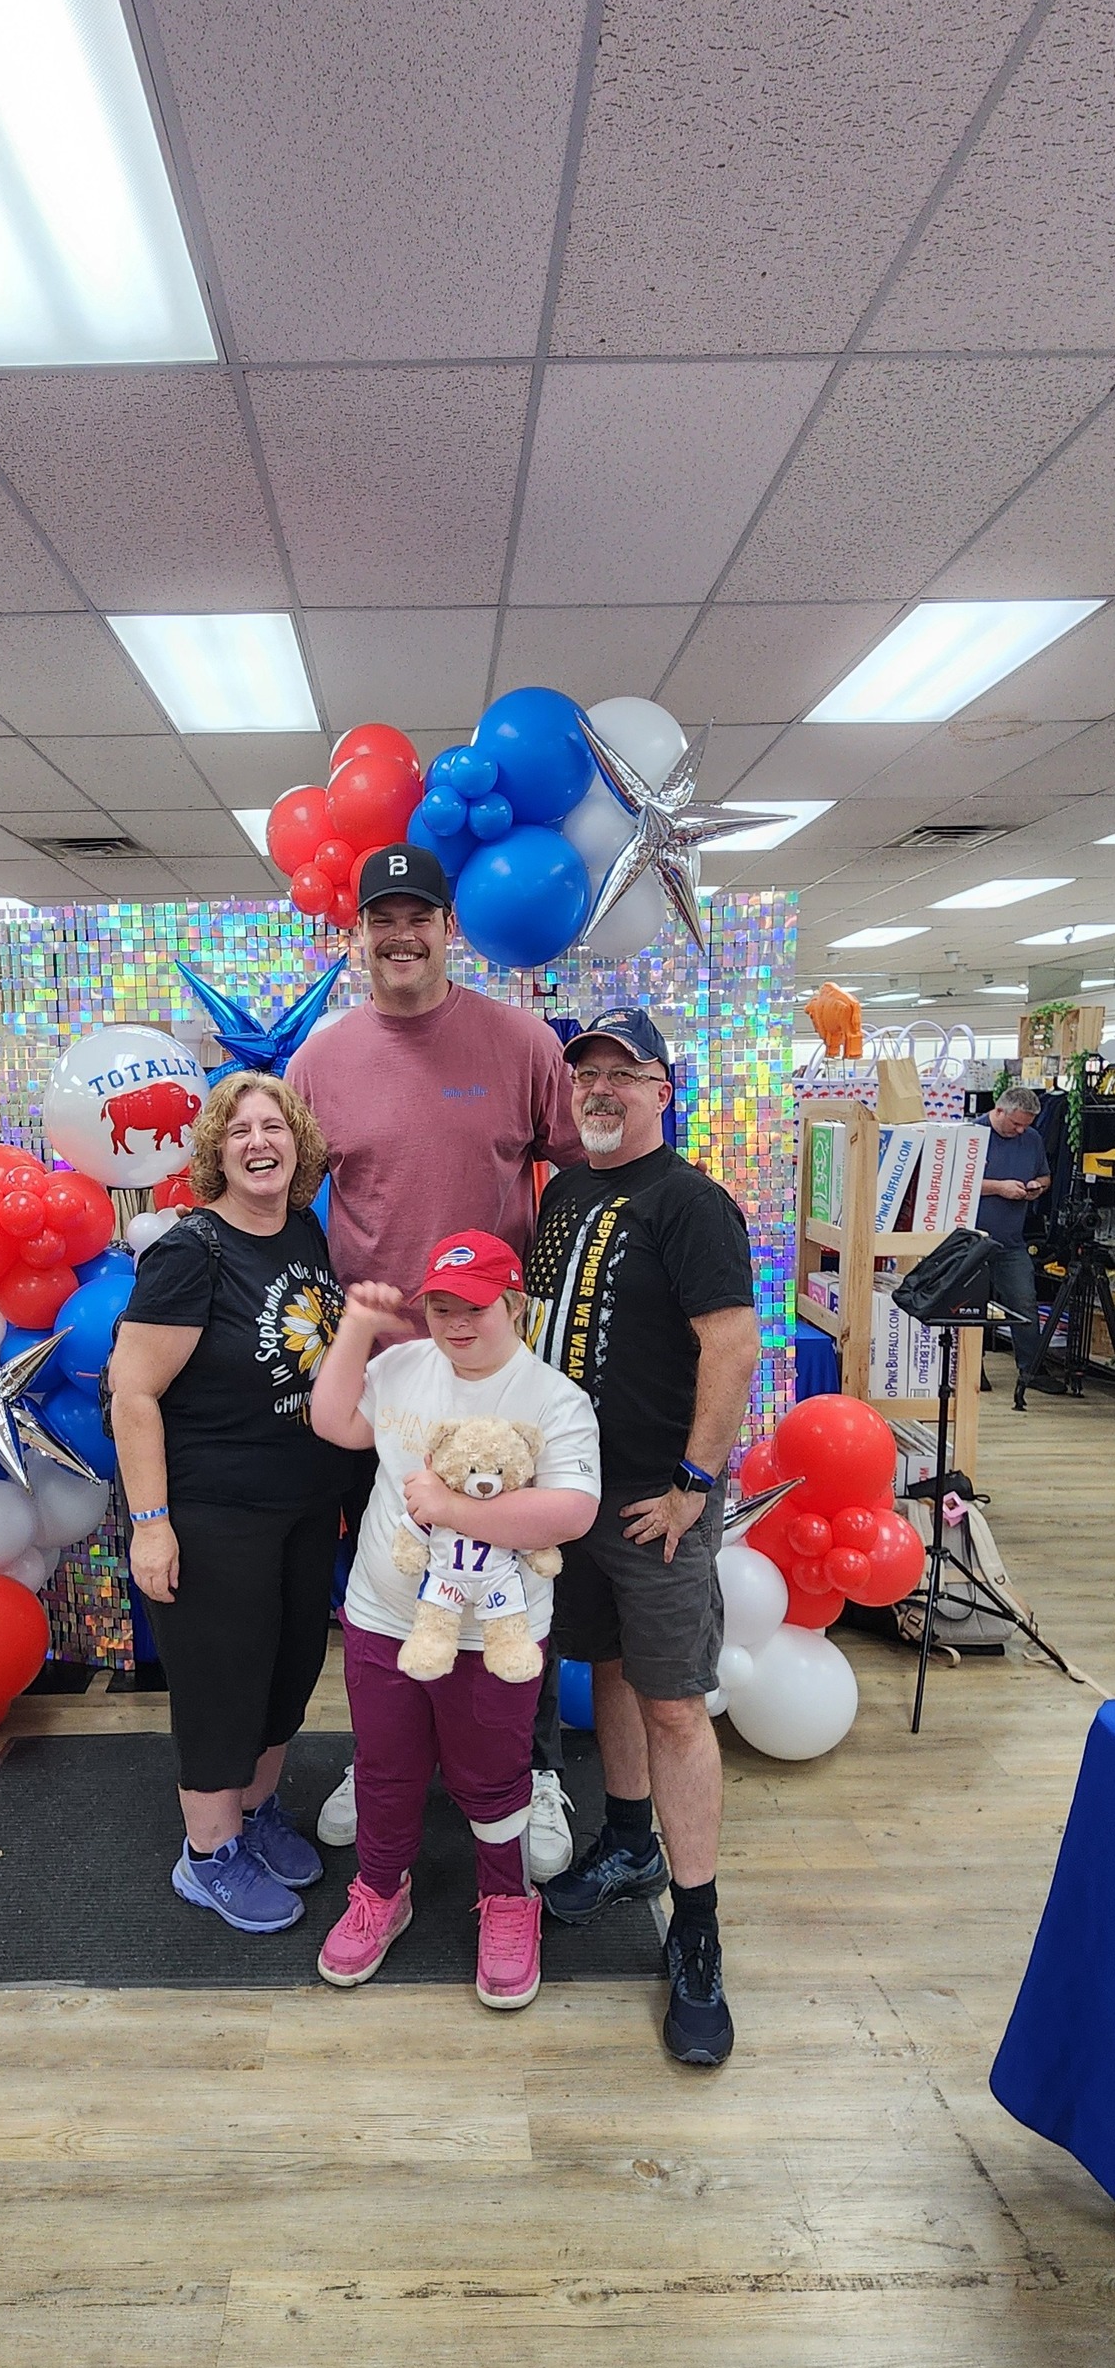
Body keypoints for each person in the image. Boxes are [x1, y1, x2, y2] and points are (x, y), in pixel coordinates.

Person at [288, 839, 584, 1873]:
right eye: (382, 918)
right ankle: (383, 1765)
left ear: (450, 928)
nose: (401, 935)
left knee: (510, 1570)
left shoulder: (520, 1039)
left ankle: (533, 1771)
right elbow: (282, 1197)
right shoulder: (321, 1057)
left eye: (420, 915)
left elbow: (579, 1177)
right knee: (383, 1576)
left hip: (494, 1371)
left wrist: (549, 1317)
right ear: (356, 934)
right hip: (379, 1371)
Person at [523, 1009, 760, 2069]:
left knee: (671, 1701)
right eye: (587, 1074)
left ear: (664, 1088)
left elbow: (733, 1346)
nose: (602, 1089)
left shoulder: (690, 1199)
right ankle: (628, 1842)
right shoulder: (567, 1190)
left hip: (656, 1496)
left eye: (624, 1073)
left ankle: (697, 1930)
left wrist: (693, 1485)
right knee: (606, 1666)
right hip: (573, 1493)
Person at [310, 1230, 600, 2008]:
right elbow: (333, 1422)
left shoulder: (552, 1398)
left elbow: (571, 1510)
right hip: (384, 1617)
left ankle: (507, 1903)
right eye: (439, 1308)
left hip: (494, 1633)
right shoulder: (403, 1366)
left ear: (513, 1305)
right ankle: (380, 1890)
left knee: (492, 1776)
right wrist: (357, 1331)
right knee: (385, 1765)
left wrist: (448, 1509)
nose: (454, 1325)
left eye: (473, 1308)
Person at [109, 1072, 356, 1936]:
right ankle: (207, 1855)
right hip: (213, 1513)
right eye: (240, 1130)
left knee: (286, 1675)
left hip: (299, 1504)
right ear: (215, 1151)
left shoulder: (301, 1230)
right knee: (222, 1687)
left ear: (298, 1144)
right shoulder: (191, 1250)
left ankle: (253, 1818)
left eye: (274, 1127)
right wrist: (150, 1525)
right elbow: (132, 1394)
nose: (260, 1142)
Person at [975, 1083, 1051, 1400]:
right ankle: (969, 1369)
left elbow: (1046, 1176)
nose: (1020, 1131)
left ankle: (1032, 1369)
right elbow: (959, 1182)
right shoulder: (972, 1135)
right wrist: (999, 1187)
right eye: (1015, 1123)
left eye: (1026, 1125)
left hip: (1011, 1239)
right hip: (973, 1239)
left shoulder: (1031, 1139)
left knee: (1023, 1302)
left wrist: (1037, 1186)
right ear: (999, 1110)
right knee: (970, 1307)